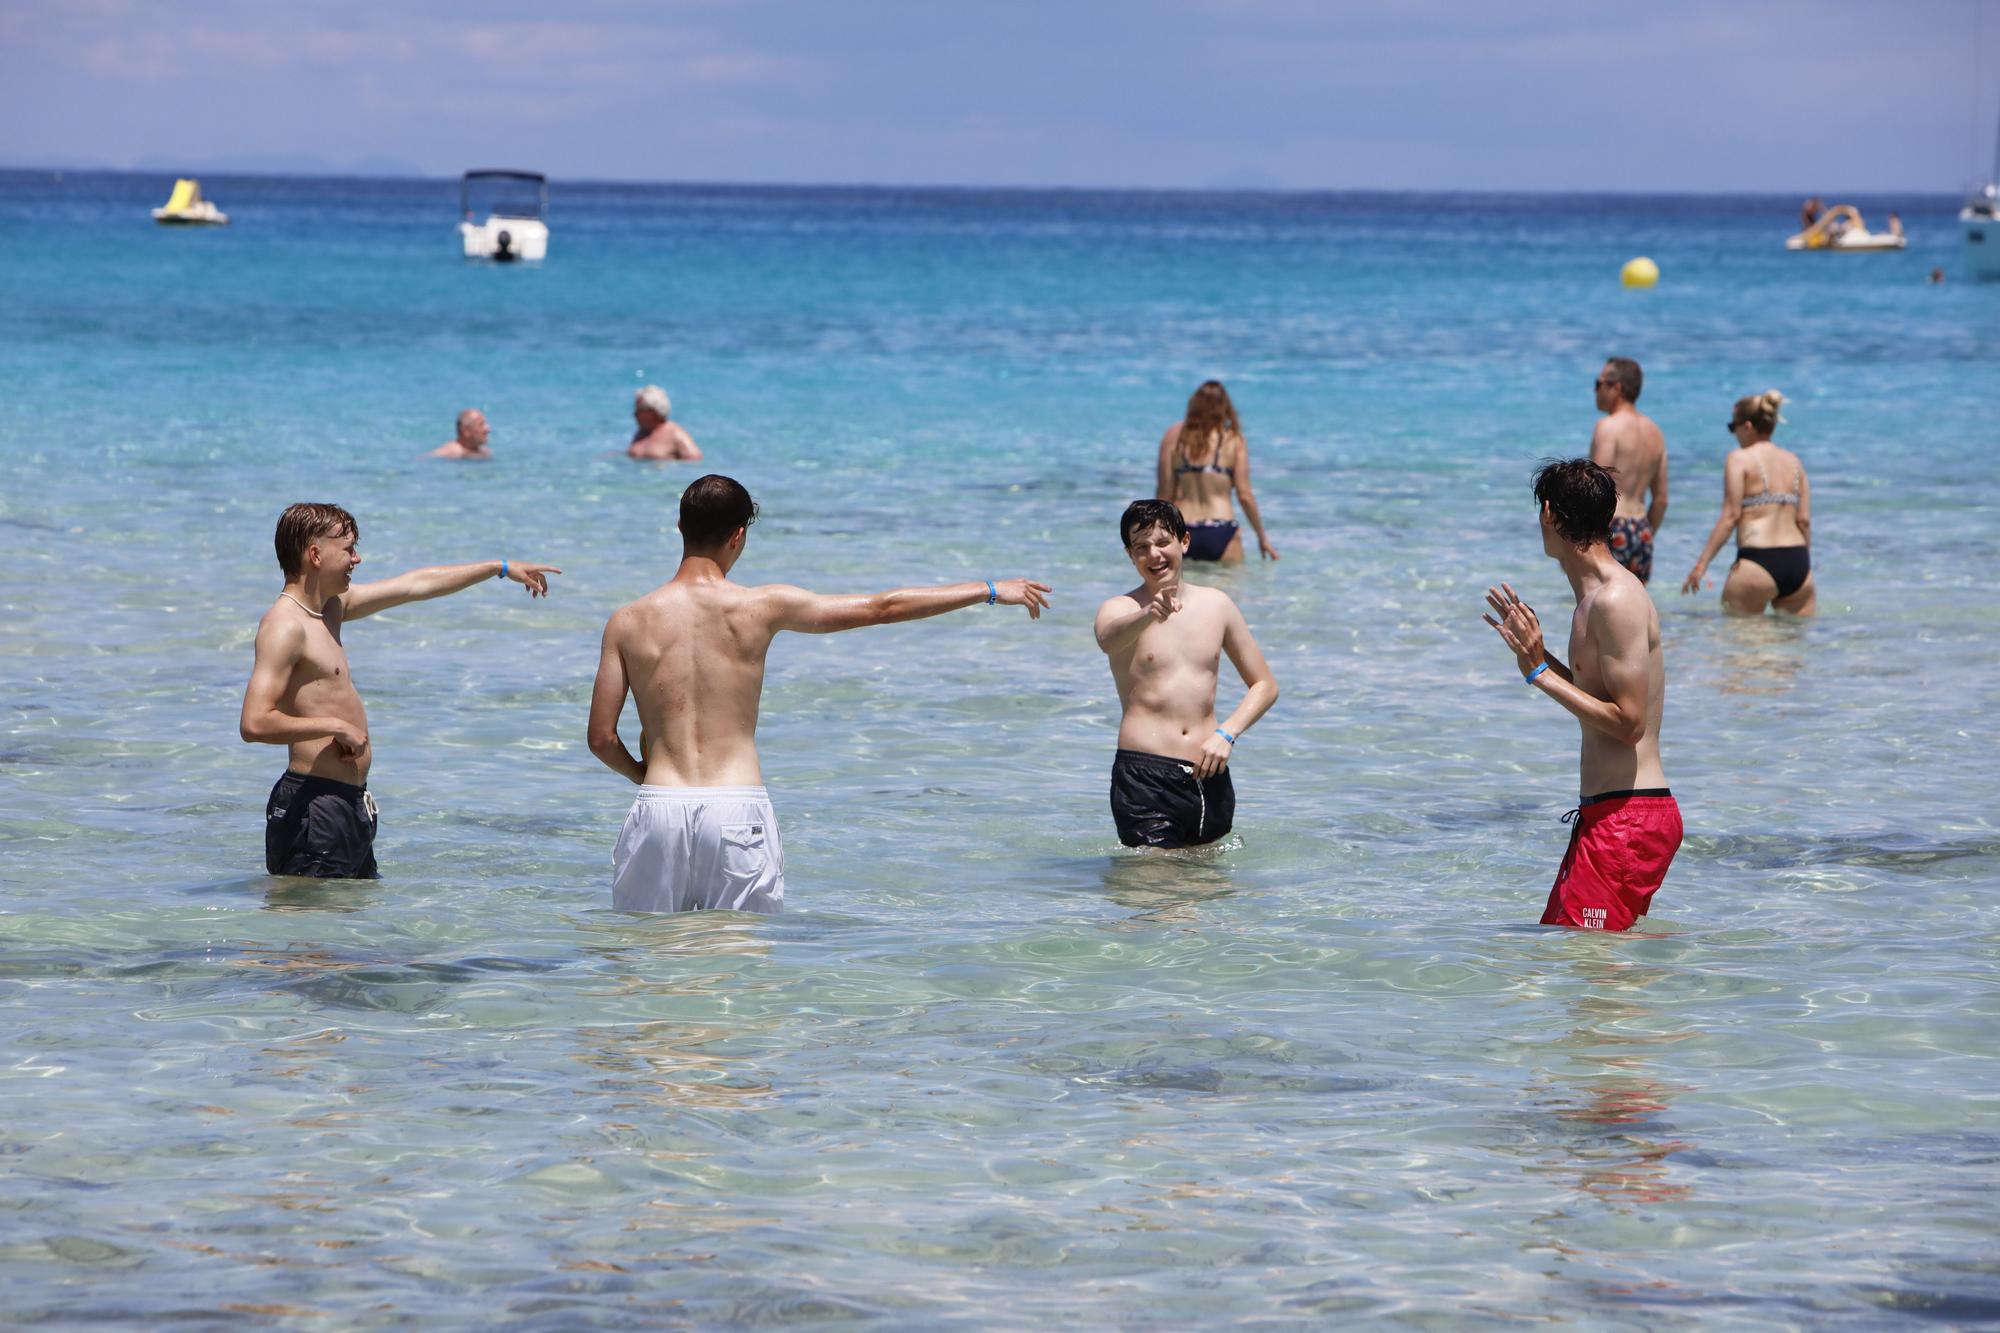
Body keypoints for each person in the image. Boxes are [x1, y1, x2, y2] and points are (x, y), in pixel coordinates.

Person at [587, 474, 1052, 913]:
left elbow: (602, 739)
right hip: (736, 808)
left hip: (659, 810)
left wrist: (645, 776)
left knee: (642, 966)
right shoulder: (760, 606)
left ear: (679, 527)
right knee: (735, 973)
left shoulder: (627, 621)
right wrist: (989, 589)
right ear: (737, 537)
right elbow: (883, 608)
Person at [240, 503, 561, 878]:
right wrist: (336, 726)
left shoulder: (330, 610)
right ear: (315, 554)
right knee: (310, 931)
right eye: (348, 549)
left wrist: (499, 568)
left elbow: (414, 585)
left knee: (349, 931)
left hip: (347, 803)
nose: (356, 558)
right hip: (314, 806)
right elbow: (255, 723)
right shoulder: (284, 626)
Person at [1483, 460, 1680, 931]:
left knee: (1593, 977)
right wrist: (1539, 657)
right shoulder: (1593, 600)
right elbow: (1600, 698)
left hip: (1627, 818)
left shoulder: (1616, 601)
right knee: (1576, 962)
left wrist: (1539, 676)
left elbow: (1628, 722)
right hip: (1610, 816)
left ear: (1548, 514)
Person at [1094, 500, 1278, 849]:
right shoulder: (1120, 609)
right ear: (1130, 556)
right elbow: (1107, 639)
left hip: (1210, 775)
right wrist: (1148, 613)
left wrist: (1228, 734)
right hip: (1145, 776)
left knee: (1205, 890)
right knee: (1160, 893)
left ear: (1184, 542)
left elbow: (1265, 684)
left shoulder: (1217, 605)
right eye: (1141, 547)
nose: (1154, 555)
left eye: (1163, 542)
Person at [1679, 391, 1814, 615]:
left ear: (1748, 426)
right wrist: (1803, 563)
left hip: (1757, 560)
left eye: (1733, 427)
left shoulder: (1739, 458)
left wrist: (1701, 566)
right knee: (1794, 646)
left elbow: (1730, 517)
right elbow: (1804, 520)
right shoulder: (1795, 462)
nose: (1734, 434)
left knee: (1742, 647)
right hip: (1798, 561)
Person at [1155, 381, 1277, 563]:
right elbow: (1244, 495)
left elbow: (1164, 495)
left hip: (1183, 529)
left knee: (1181, 591)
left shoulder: (1173, 436)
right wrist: (1262, 537)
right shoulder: (1234, 439)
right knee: (1229, 591)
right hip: (1222, 528)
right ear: (1225, 407)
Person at [1588, 357, 1669, 584]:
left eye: (1598, 384)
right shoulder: (1655, 432)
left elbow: (1596, 488)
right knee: (1634, 608)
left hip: (1612, 526)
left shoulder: (1608, 427)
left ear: (1616, 388)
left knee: (1597, 604)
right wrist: (1645, 534)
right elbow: (1661, 499)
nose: (1595, 391)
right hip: (1642, 529)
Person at [628, 385, 702, 461]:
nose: (635, 414)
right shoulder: (642, 432)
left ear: (652, 411)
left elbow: (694, 459)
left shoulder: (674, 433)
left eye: (639, 410)